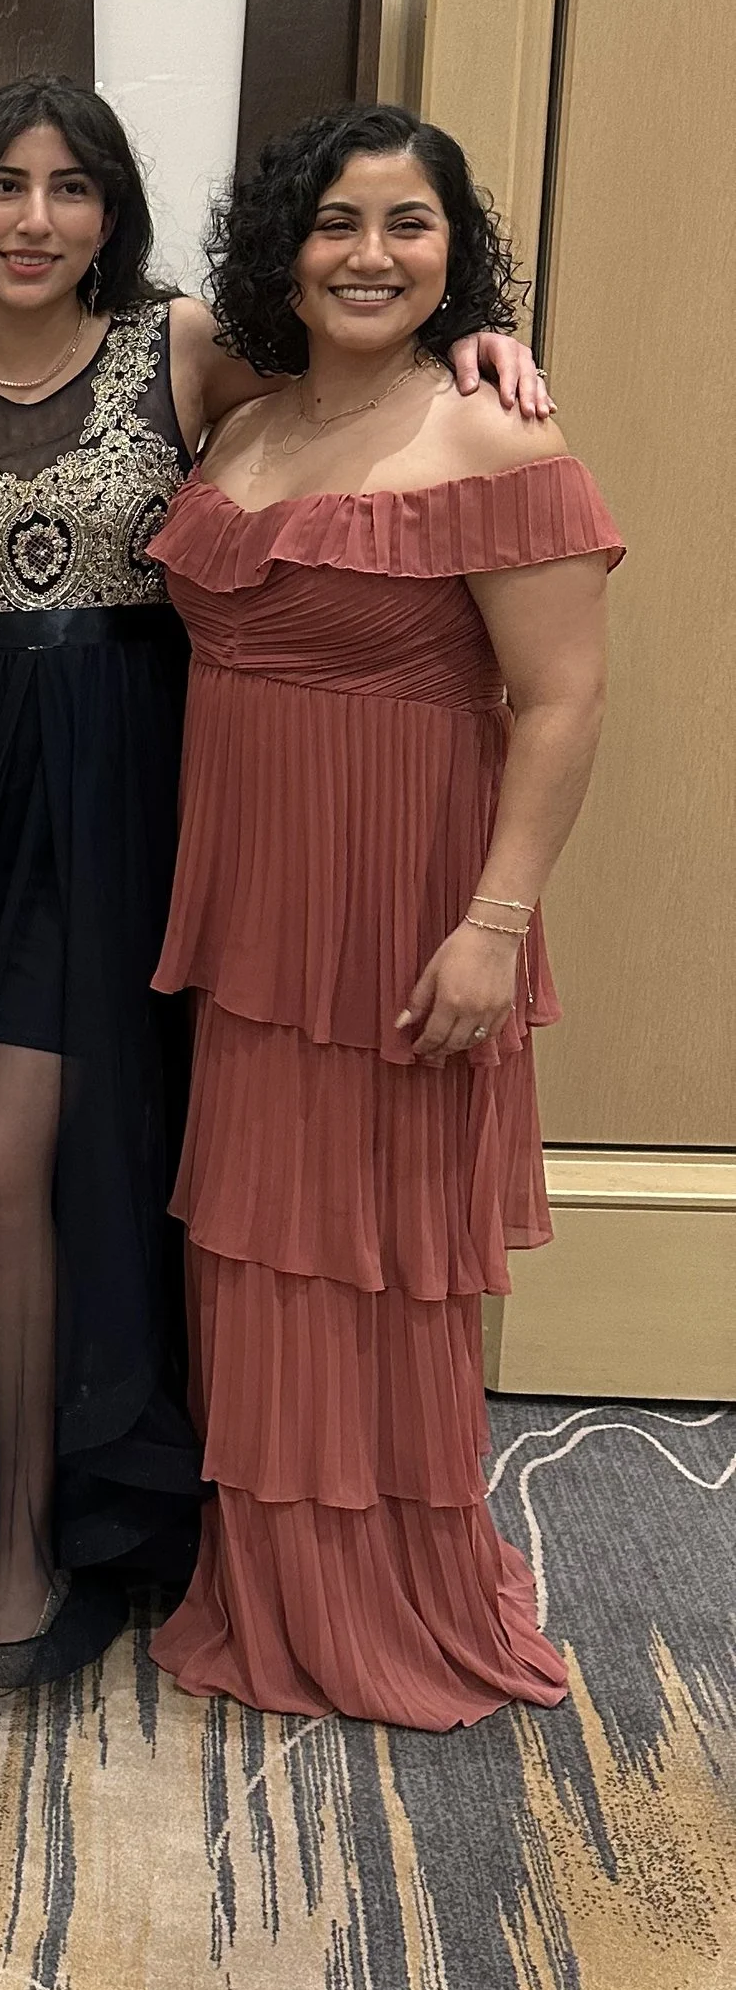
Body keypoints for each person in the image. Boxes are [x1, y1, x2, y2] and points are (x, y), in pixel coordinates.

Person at [0, 78, 551, 1701]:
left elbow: (373, 383)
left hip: (179, 802)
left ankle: (181, 1523)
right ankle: (17, 1539)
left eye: (70, 188)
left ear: (113, 216)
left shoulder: (195, 351)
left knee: (191, 1189)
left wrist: (489, 346)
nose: (32, 219)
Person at [145, 104, 617, 1728]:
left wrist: (496, 922)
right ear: (280, 250)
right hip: (250, 919)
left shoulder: (496, 436)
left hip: (407, 912)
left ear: (454, 251)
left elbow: (559, 703)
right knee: (260, 1255)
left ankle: (391, 1603)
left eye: (407, 225)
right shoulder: (239, 425)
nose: (367, 255)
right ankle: (270, 1588)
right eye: (335, 223)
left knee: (385, 1262)